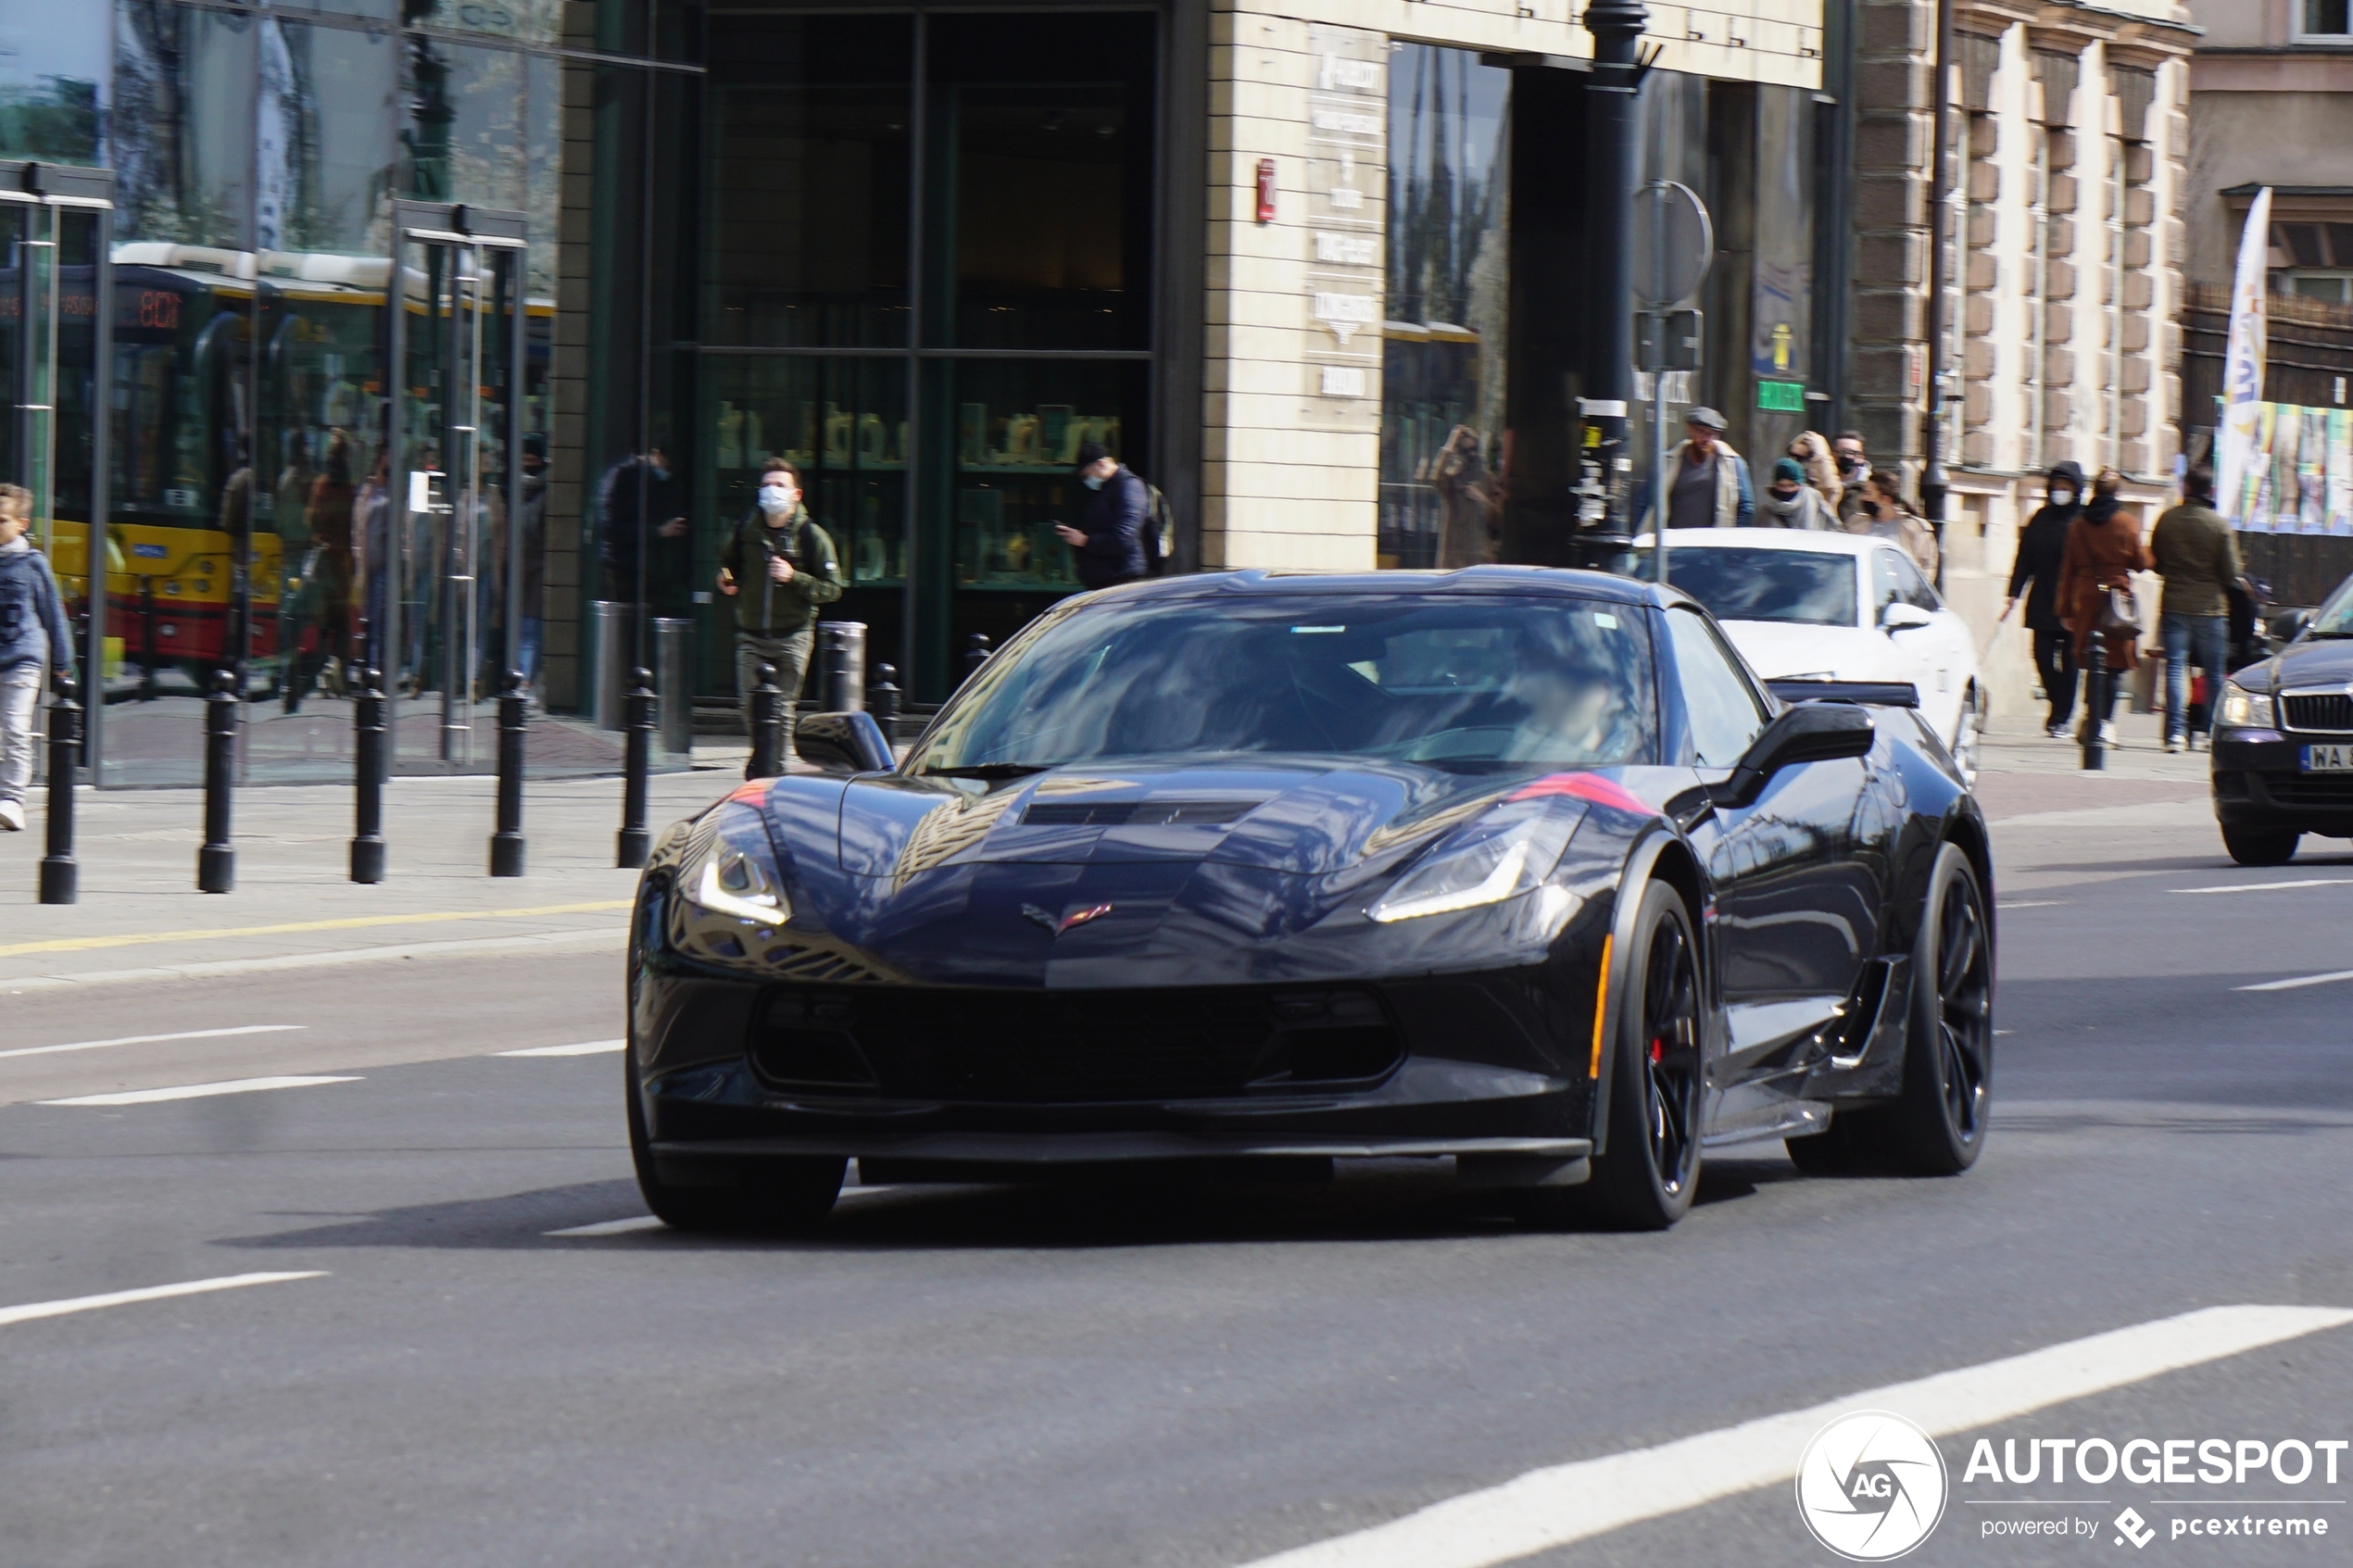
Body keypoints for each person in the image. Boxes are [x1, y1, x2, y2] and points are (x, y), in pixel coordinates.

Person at [717, 458, 844, 743]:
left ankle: (775, 767)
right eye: (765, 485)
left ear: (796, 494)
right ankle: (764, 758)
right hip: (752, 635)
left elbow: (833, 589)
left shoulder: (812, 536)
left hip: (793, 635)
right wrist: (725, 579)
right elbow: (728, 563)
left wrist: (793, 577)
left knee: (782, 708)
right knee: (750, 706)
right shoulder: (745, 530)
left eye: (779, 485)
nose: (771, 491)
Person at [2148, 464, 2242, 754]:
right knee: (2214, 675)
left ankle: (2175, 734)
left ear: (2185, 488)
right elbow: (2230, 573)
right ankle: (2211, 733)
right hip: (2211, 609)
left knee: (2175, 668)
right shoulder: (2219, 526)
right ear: (2211, 490)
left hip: (2175, 604)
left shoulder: (2167, 520)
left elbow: (2157, 562)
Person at [2056, 467, 2152, 747]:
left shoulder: (2078, 525)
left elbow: (2068, 568)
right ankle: (2105, 724)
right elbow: (2141, 563)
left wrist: (2064, 609)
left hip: (2084, 595)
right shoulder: (2127, 524)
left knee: (2091, 660)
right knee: (2115, 664)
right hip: (2116, 598)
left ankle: (2091, 717)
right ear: (2117, 493)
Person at [0, 483, 75, 833]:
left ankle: (12, 799)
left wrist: (63, 663)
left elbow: (53, 615)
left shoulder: (32, 564)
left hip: (21, 659)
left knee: (16, 729)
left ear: (22, 524)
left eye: (1, 519)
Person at [2004, 461, 2086, 739]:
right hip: (2043, 597)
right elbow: (2024, 556)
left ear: (2077, 490)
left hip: (2074, 601)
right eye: (2056, 486)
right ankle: (2058, 703)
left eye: (2066, 487)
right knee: (2042, 657)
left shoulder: (2083, 521)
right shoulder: (2040, 517)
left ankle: (2062, 716)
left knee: (2070, 661)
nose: (2060, 491)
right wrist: (2014, 592)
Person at [595, 447, 688, 606]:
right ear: (656, 454)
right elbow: (609, 528)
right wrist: (658, 531)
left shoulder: (660, 482)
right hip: (623, 569)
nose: (668, 471)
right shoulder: (624, 475)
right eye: (667, 466)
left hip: (652, 569)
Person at [1054, 441, 1150, 588]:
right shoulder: (1104, 489)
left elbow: (1123, 538)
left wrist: (1084, 541)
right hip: (1104, 579)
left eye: (1087, 473)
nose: (1087, 480)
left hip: (1121, 579)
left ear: (1101, 464)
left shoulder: (1129, 486)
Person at [1660, 407, 1754, 530]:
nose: (1706, 439)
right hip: (1672, 540)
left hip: (1712, 543)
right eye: (1701, 431)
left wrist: (1734, 540)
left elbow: (1746, 507)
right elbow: (1647, 501)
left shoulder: (1733, 463)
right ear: (1689, 429)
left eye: (1712, 434)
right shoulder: (1669, 461)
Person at [1847, 470, 1940, 578]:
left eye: (1868, 493)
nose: (1862, 498)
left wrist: (1915, 591)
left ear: (1884, 499)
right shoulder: (1855, 523)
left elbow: (1927, 566)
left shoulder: (1913, 527)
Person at [1758, 457, 1839, 529]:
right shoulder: (1767, 509)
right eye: (1782, 485)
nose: (1787, 490)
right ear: (1775, 485)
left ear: (1801, 485)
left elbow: (1833, 524)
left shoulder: (1813, 498)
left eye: (1792, 485)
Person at [1787, 431, 1844, 513]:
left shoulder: (1831, 488)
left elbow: (1828, 485)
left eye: (1808, 454)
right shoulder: (1791, 477)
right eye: (1799, 457)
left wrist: (1820, 457)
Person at [1832, 431, 1871, 521]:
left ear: (1862, 457)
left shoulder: (1870, 488)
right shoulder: (1821, 482)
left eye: (1856, 453)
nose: (1850, 457)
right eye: (1845, 452)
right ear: (1833, 455)